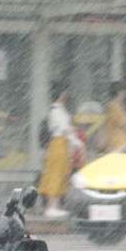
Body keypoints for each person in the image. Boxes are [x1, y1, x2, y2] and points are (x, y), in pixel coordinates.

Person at [36, 82, 82, 218]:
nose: (66, 94)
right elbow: (64, 129)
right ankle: (51, 206)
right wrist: (75, 130)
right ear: (61, 93)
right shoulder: (56, 111)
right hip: (58, 145)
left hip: (61, 145)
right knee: (55, 175)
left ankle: (55, 206)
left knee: (60, 174)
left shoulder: (59, 109)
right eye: (65, 92)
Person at [103, 81, 126, 153]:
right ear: (119, 92)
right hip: (118, 144)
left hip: (113, 142)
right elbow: (125, 125)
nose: (124, 94)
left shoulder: (110, 105)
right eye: (123, 92)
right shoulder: (116, 106)